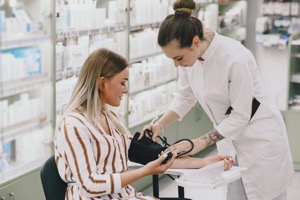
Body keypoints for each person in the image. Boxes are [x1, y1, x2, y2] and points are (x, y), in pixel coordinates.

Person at [140, 0, 295, 200]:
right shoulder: (190, 60)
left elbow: (241, 115)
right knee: (236, 195)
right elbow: (185, 96)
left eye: (178, 58)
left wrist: (197, 143)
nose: (176, 65)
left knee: (266, 194)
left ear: (196, 42)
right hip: (229, 141)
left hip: (259, 140)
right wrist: (159, 125)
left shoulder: (236, 58)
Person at [54, 48, 233, 200]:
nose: (126, 89)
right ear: (102, 83)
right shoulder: (73, 125)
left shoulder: (108, 117)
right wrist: (145, 172)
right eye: (122, 83)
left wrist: (204, 163)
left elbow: (150, 156)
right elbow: (89, 185)